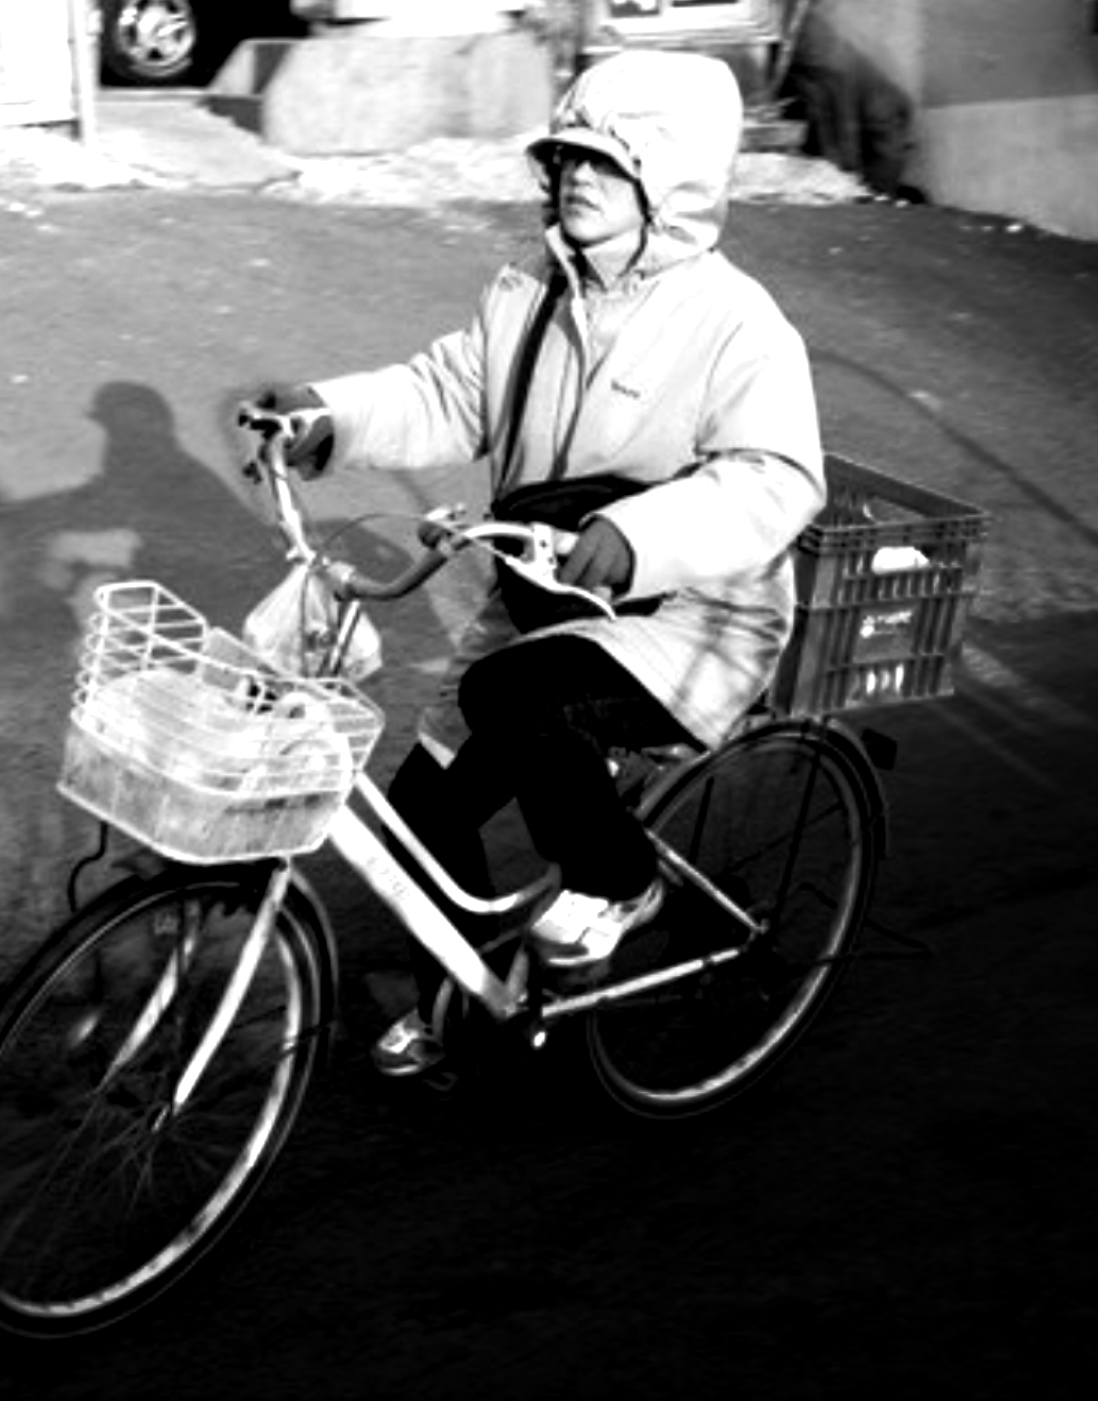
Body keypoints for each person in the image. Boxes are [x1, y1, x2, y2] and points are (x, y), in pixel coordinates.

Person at [257, 49, 827, 1077]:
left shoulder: (738, 325)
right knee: (418, 813)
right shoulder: (528, 292)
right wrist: (329, 414)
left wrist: (641, 535)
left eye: (606, 161)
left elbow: (777, 479)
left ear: (668, 180)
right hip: (544, 597)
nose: (575, 176)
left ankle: (622, 881)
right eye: (566, 155)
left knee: (511, 696)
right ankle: (472, 1009)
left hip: (690, 620)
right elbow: (447, 393)